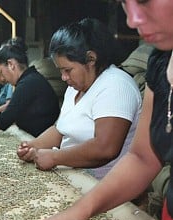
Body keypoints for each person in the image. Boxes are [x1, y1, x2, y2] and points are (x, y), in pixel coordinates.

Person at [29, 1, 173, 220]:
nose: (132, 20)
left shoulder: (115, 84)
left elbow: (106, 147)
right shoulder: (161, 62)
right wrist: (75, 212)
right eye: (125, 4)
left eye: (144, 1)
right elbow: (143, 157)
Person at [17, 18, 142, 180]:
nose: (63, 77)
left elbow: (105, 148)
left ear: (90, 59)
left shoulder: (115, 85)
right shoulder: (74, 88)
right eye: (60, 71)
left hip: (103, 182)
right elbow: (61, 129)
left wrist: (55, 157)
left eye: (68, 70)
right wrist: (32, 146)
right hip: (73, 174)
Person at [0, 38, 60, 137]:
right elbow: (14, 112)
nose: (2, 77)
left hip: (36, 136)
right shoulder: (30, 79)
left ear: (11, 65)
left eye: (1, 71)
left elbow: (5, 120)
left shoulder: (28, 83)